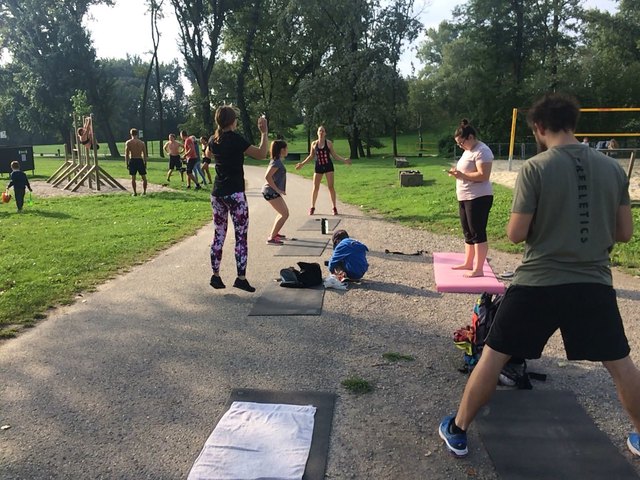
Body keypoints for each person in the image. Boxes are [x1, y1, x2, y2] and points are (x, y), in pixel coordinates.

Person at [438, 93, 640, 460]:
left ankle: (459, 429)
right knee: (621, 365)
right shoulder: (612, 169)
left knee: (494, 358)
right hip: (593, 283)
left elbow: (516, 233)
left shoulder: (535, 167)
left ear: (539, 128)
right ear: (573, 124)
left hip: (539, 282)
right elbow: (624, 232)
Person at [207, 106, 268, 292]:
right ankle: (240, 278)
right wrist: (264, 133)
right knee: (240, 236)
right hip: (235, 193)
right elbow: (261, 154)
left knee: (219, 234)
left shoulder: (213, 139)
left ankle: (215, 276)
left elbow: (208, 154)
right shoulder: (235, 139)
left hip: (217, 193)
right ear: (233, 121)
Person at [448, 119, 494, 278]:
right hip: (465, 196)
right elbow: (466, 172)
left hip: (479, 197)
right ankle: (468, 262)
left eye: (461, 142)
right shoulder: (468, 151)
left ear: (471, 137)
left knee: (477, 232)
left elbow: (483, 175)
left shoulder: (483, 151)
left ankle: (479, 268)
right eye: (458, 144)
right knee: (467, 231)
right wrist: (457, 173)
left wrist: (462, 175)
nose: (460, 146)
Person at [295, 125, 351, 215]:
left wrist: (344, 160)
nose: (321, 132)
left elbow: (334, 155)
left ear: (325, 133)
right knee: (315, 187)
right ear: (317, 133)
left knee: (331, 187)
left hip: (328, 166)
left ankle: (334, 207)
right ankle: (312, 207)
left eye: (323, 131)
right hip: (318, 166)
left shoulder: (328, 143)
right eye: (319, 131)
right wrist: (302, 164)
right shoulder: (314, 144)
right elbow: (311, 156)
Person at [262, 140, 290, 245]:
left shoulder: (276, 160)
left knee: (282, 213)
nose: (287, 150)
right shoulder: (276, 162)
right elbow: (267, 176)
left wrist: (279, 189)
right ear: (282, 150)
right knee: (285, 214)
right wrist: (277, 189)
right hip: (270, 191)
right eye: (286, 148)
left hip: (271, 191)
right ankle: (271, 238)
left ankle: (275, 233)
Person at [124, 128, 148, 196]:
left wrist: (127, 163)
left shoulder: (128, 142)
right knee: (144, 177)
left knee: (133, 178)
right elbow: (145, 154)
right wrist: (145, 163)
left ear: (131, 134)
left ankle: (134, 192)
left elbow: (126, 154)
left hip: (133, 160)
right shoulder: (142, 143)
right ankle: (144, 192)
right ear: (137, 134)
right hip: (140, 160)